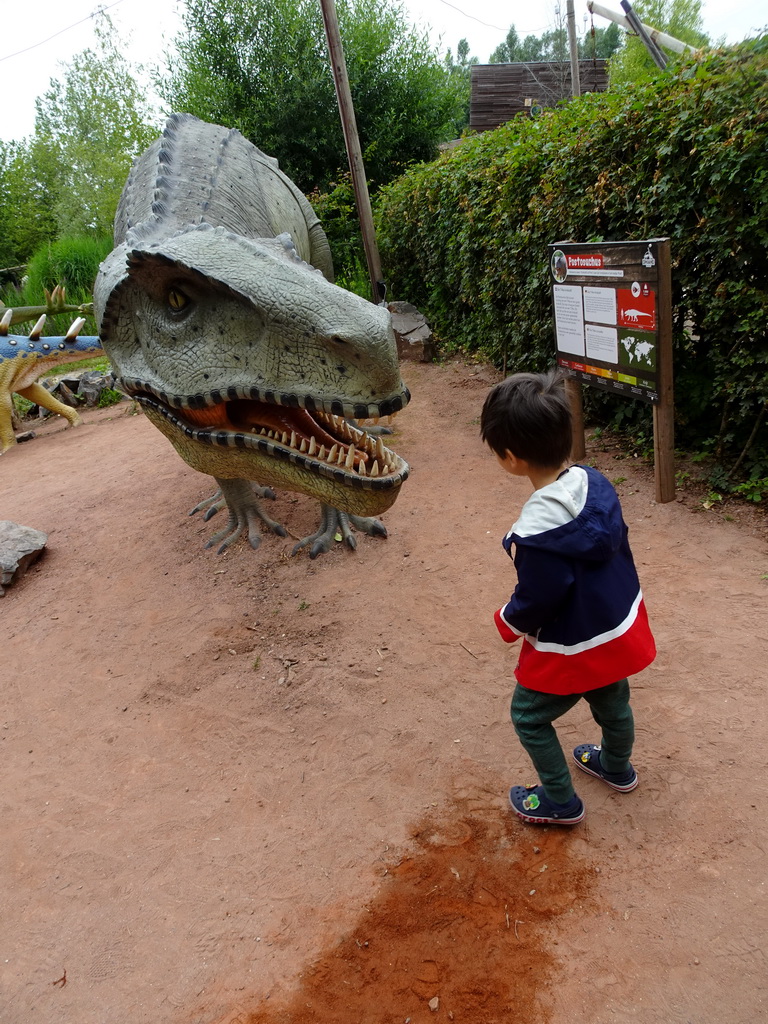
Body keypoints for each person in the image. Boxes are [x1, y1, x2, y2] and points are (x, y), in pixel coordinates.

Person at [480, 369, 656, 825]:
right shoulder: (595, 485)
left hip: (574, 643)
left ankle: (560, 800)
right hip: (614, 626)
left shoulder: (539, 533)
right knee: (613, 700)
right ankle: (616, 767)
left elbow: (540, 596)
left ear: (510, 458)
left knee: (529, 716)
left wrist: (508, 620)